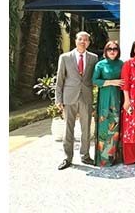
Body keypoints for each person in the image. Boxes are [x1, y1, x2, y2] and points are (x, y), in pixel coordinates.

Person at [56, 31, 98, 170]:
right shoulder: (65, 57)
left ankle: (85, 155)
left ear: (89, 42)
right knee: (69, 128)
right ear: (76, 41)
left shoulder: (93, 58)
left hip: (86, 97)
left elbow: (95, 78)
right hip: (69, 97)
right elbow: (60, 79)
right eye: (80, 39)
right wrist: (58, 99)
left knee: (86, 129)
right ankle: (67, 157)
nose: (83, 41)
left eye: (86, 40)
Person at [92, 40, 125, 166]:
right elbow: (94, 80)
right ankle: (103, 159)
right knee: (103, 128)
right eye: (109, 49)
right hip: (104, 100)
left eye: (115, 49)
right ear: (105, 51)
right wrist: (111, 82)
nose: (112, 51)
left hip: (117, 99)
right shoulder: (100, 64)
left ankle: (113, 157)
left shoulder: (121, 64)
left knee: (115, 128)